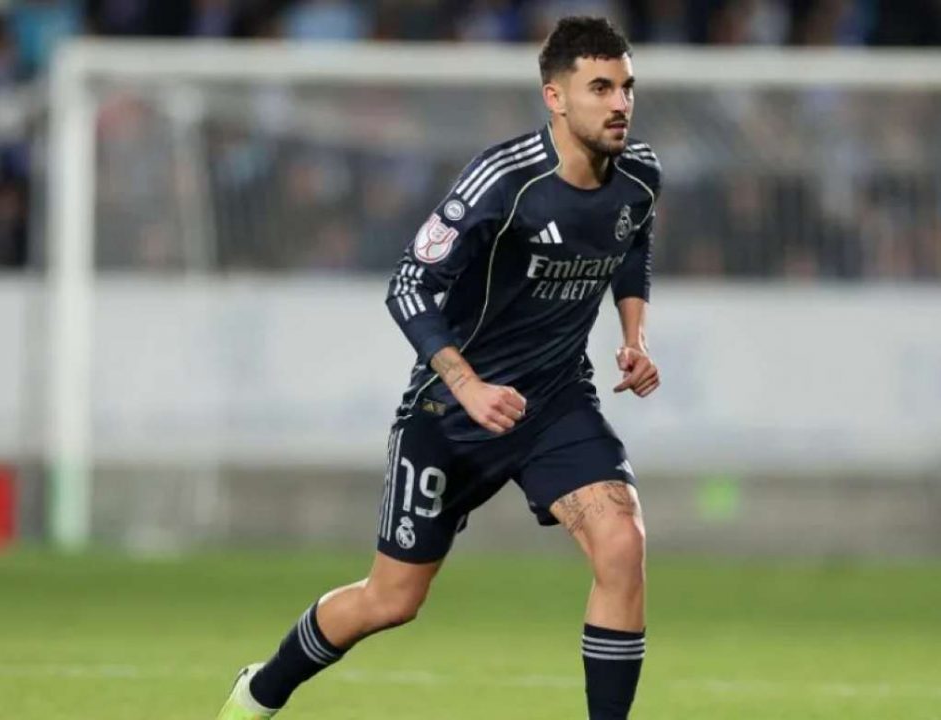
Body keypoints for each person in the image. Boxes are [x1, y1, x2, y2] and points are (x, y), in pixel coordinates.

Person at [218, 15, 661, 720]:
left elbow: (631, 244)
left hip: (555, 404)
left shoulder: (640, 174)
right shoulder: (503, 181)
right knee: (391, 600)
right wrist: (467, 385)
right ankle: (261, 690)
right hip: (449, 414)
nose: (620, 104)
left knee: (621, 543)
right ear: (554, 97)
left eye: (627, 87)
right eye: (600, 88)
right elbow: (408, 285)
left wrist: (633, 335)